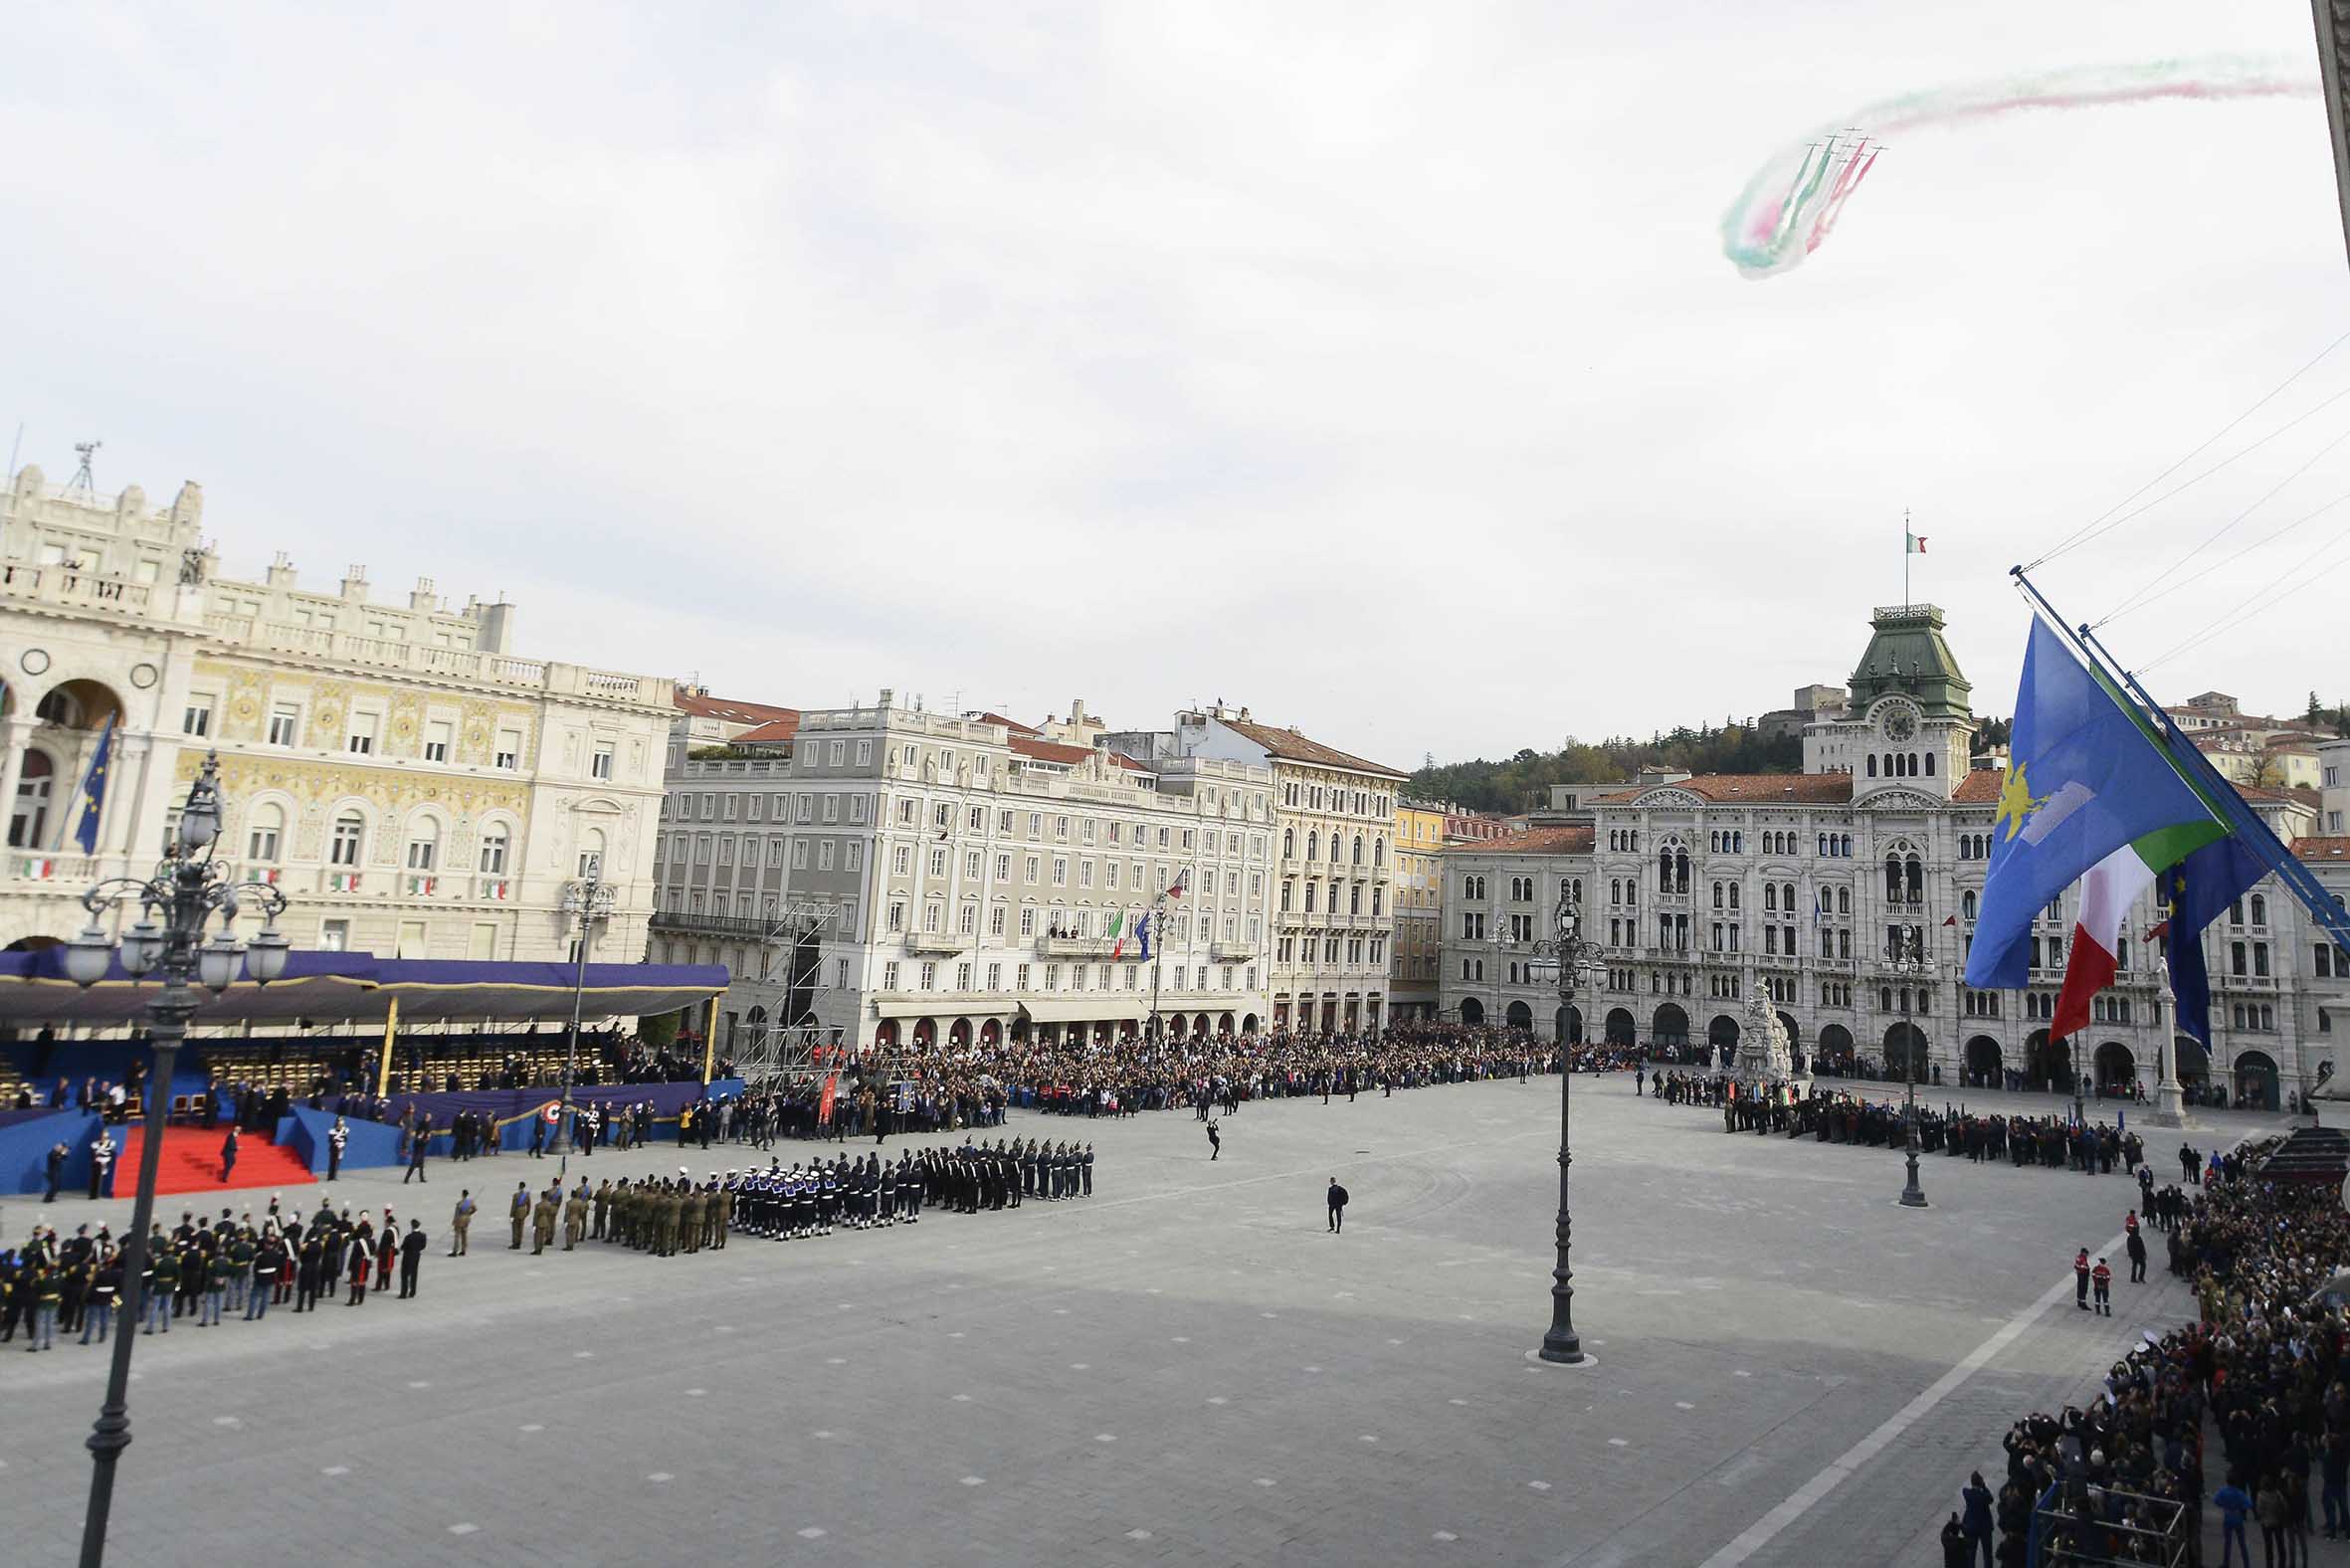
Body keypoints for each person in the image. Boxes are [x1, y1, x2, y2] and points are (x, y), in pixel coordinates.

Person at [2215, 1478, 2253, 1568]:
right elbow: (2249, 1504)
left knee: (2227, 1543)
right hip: (2237, 1518)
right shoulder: (2239, 1493)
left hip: (2228, 1517)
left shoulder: (2223, 1491)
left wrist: (2223, 1505)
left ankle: (2226, 1563)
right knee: (2242, 1543)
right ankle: (2246, 1564)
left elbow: (2216, 1500)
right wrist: (2240, 1507)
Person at [1960, 1471, 1994, 1568]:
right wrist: (1984, 1487)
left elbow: (1965, 1489)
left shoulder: (1967, 1493)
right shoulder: (1984, 1497)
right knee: (1987, 1554)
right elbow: (1991, 1499)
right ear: (1981, 1482)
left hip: (1971, 1527)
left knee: (1971, 1554)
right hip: (1985, 1528)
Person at [398, 1221, 427, 1298]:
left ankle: (403, 1293)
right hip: (416, 1256)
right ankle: (412, 1292)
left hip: (407, 1257)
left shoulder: (409, 1236)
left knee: (404, 1275)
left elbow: (403, 1246)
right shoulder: (423, 1235)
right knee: (414, 1274)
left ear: (412, 1226)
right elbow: (423, 1246)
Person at [89, 1129, 115, 1200]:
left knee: (99, 1180)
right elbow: (93, 1153)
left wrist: (104, 1162)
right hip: (97, 1163)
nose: (103, 1137)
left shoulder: (111, 1143)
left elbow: (110, 1152)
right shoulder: (95, 1143)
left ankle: (97, 1195)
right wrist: (95, 1158)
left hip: (105, 1161)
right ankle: (93, 1195)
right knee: (94, 1179)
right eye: (103, 1135)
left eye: (105, 1136)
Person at [403, 1115, 429, 1184]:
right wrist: (426, 1140)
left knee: (421, 1166)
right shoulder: (420, 1133)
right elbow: (419, 1142)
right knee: (413, 1165)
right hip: (417, 1152)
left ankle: (421, 1178)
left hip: (421, 1151)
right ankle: (406, 1179)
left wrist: (426, 1140)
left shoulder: (423, 1132)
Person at [450, 1190, 474, 1257]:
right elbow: (475, 1209)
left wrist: (454, 1221)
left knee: (457, 1236)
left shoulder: (459, 1204)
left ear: (462, 1194)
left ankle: (455, 1251)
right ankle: (463, 1250)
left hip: (459, 1221)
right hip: (466, 1220)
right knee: (464, 1236)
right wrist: (469, 1214)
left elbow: (456, 1214)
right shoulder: (470, 1202)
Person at [326, 1117, 347, 1181]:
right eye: (340, 1123)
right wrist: (336, 1144)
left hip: (341, 1149)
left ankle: (335, 1176)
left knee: (337, 1163)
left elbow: (345, 1139)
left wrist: (342, 1145)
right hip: (333, 1149)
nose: (341, 1125)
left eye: (342, 1124)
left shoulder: (344, 1131)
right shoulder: (332, 1131)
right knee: (332, 1162)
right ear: (337, 1123)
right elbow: (330, 1140)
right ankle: (330, 1177)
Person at [2073, 1247, 2090, 1311]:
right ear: (2083, 1253)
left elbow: (2076, 1266)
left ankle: (2079, 1301)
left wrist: (2078, 1271)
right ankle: (2083, 1304)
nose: (2087, 1254)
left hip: (2079, 1274)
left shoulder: (2078, 1257)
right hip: (2083, 1275)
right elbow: (2083, 1267)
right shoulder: (2083, 1259)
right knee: (2083, 1289)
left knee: (2079, 1288)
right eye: (2086, 1253)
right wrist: (2087, 1270)